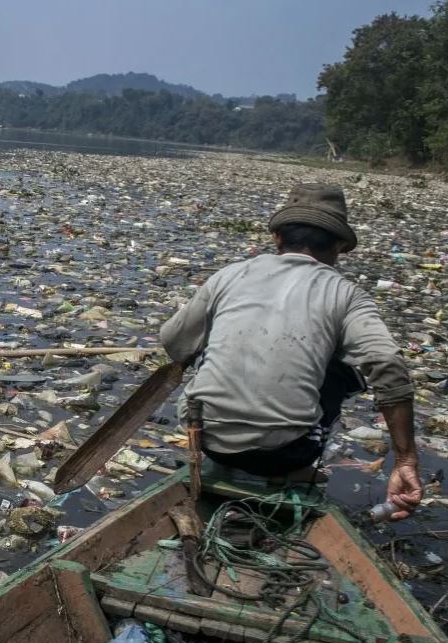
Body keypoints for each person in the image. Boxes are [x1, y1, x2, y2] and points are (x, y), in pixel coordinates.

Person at [159, 183, 423, 520]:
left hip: (205, 437)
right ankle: (293, 466)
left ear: (277, 238)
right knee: (348, 370)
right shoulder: (346, 294)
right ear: (340, 245)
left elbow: (174, 342)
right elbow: (386, 363)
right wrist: (405, 460)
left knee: (206, 345)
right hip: (287, 453)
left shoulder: (230, 275)